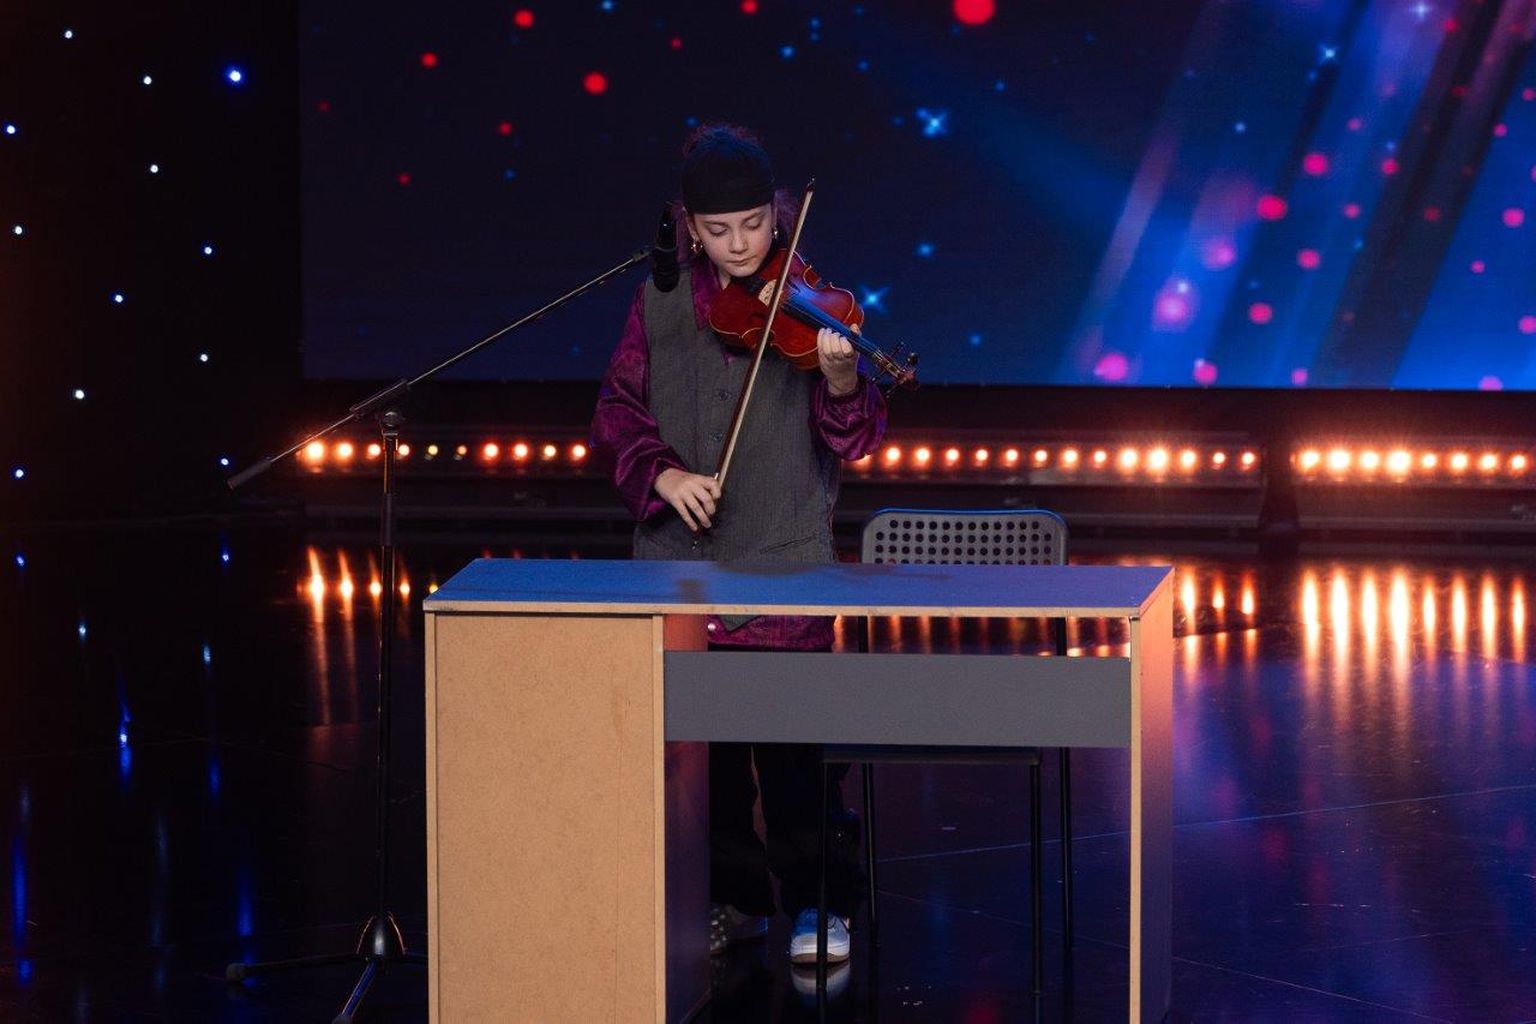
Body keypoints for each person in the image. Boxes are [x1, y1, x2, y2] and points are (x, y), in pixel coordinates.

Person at [590, 123, 887, 967]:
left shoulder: (811, 303)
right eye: (719, 231)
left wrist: (841, 379)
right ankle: (734, 900)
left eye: (754, 225)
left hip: (782, 562)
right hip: (680, 571)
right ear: (689, 226)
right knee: (705, 767)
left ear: (777, 214)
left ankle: (821, 903)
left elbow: (854, 437)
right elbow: (616, 412)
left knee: (796, 763)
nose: (739, 245)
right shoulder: (657, 302)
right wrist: (662, 476)